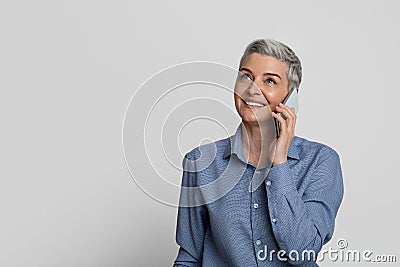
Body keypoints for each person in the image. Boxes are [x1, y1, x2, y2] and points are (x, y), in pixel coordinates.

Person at [173, 39, 344, 266]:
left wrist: (279, 163)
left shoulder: (321, 162)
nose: (253, 89)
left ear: (291, 96)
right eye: (246, 76)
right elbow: (190, 257)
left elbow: (302, 252)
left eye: (270, 81)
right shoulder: (201, 163)